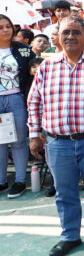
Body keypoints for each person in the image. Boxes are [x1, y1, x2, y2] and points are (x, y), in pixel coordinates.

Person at [27, 16, 84, 256]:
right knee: (64, 192)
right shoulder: (48, 66)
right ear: (58, 36)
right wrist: (34, 134)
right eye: (65, 32)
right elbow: (34, 102)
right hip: (57, 143)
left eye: (76, 32)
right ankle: (70, 236)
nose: (70, 37)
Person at [0, 15, 34, 198]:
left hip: (16, 98)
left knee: (19, 140)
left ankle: (20, 180)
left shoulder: (24, 50)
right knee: (0, 142)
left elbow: (33, 72)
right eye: (1, 27)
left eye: (8, 26)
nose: (5, 30)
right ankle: (1, 180)